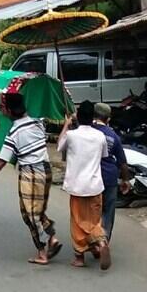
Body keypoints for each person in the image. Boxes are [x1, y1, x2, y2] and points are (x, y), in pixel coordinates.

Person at [0, 93, 62, 265]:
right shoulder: (37, 122)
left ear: (9, 110)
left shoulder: (14, 132)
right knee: (36, 211)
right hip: (46, 170)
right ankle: (50, 239)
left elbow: (1, 161)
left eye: (2, 107)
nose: (1, 109)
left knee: (29, 214)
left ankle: (43, 250)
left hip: (31, 173)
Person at [58, 101, 111, 270]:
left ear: (78, 117)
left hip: (77, 185)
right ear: (94, 118)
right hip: (95, 185)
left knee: (78, 221)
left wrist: (66, 124)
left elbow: (60, 146)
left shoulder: (72, 135)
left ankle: (80, 257)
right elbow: (104, 155)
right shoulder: (100, 136)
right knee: (94, 220)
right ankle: (100, 242)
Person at [93, 102, 131, 241]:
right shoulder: (113, 135)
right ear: (108, 119)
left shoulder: (87, 131)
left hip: (91, 177)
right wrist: (125, 180)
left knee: (92, 210)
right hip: (109, 177)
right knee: (108, 211)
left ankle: (93, 239)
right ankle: (104, 239)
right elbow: (122, 162)